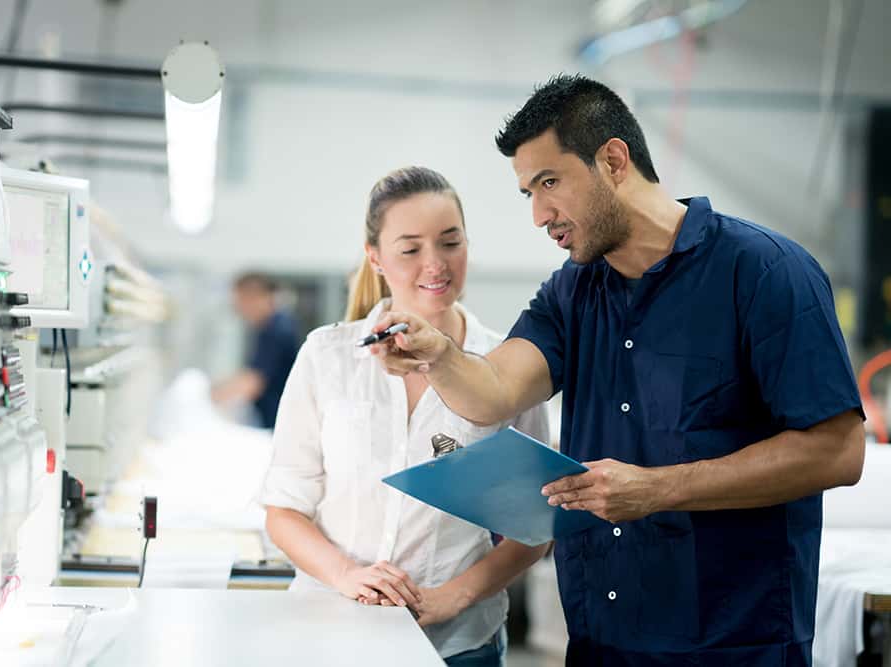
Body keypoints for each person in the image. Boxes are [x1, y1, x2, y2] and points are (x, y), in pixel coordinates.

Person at [369, 76, 866, 665]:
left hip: (732, 643)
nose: (538, 214)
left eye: (549, 183)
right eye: (528, 191)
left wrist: (658, 489)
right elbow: (494, 390)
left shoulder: (765, 272)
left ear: (613, 160)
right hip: (603, 640)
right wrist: (441, 355)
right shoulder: (573, 291)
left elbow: (838, 451)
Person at [261, 166, 551, 665]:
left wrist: (452, 597)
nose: (434, 264)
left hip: (459, 647)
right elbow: (284, 510)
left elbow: (533, 526)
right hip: (330, 636)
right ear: (375, 257)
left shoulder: (511, 362)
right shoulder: (328, 356)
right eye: (410, 248)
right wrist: (346, 575)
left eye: (450, 242)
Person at [211, 272, 299, 429]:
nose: (238, 309)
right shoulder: (268, 326)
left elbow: (254, 381)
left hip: (277, 419)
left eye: (240, 301)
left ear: (255, 298)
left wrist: (210, 397)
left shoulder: (276, 329)